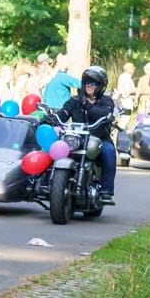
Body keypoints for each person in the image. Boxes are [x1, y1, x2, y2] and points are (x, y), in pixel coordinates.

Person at [50, 66, 118, 204]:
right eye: (87, 82)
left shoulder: (106, 101)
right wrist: (52, 118)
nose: (89, 86)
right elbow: (64, 112)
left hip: (99, 139)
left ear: (100, 86)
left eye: (93, 83)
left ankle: (106, 190)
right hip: (76, 140)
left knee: (109, 152)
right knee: (54, 149)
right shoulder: (74, 100)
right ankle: (47, 183)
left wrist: (85, 103)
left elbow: (101, 114)